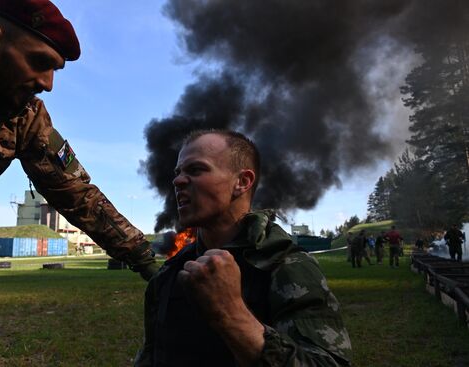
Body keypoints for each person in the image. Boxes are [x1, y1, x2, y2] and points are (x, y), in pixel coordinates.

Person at [0, 1, 158, 365]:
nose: (47, 84)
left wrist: (149, 264)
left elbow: (80, 196)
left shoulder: (26, 119)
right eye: (40, 62)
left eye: (56, 70)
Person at [135, 130, 351, 367]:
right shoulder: (170, 274)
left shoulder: (288, 267)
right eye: (178, 173)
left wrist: (233, 315)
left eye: (196, 170)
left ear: (242, 182)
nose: (177, 181)